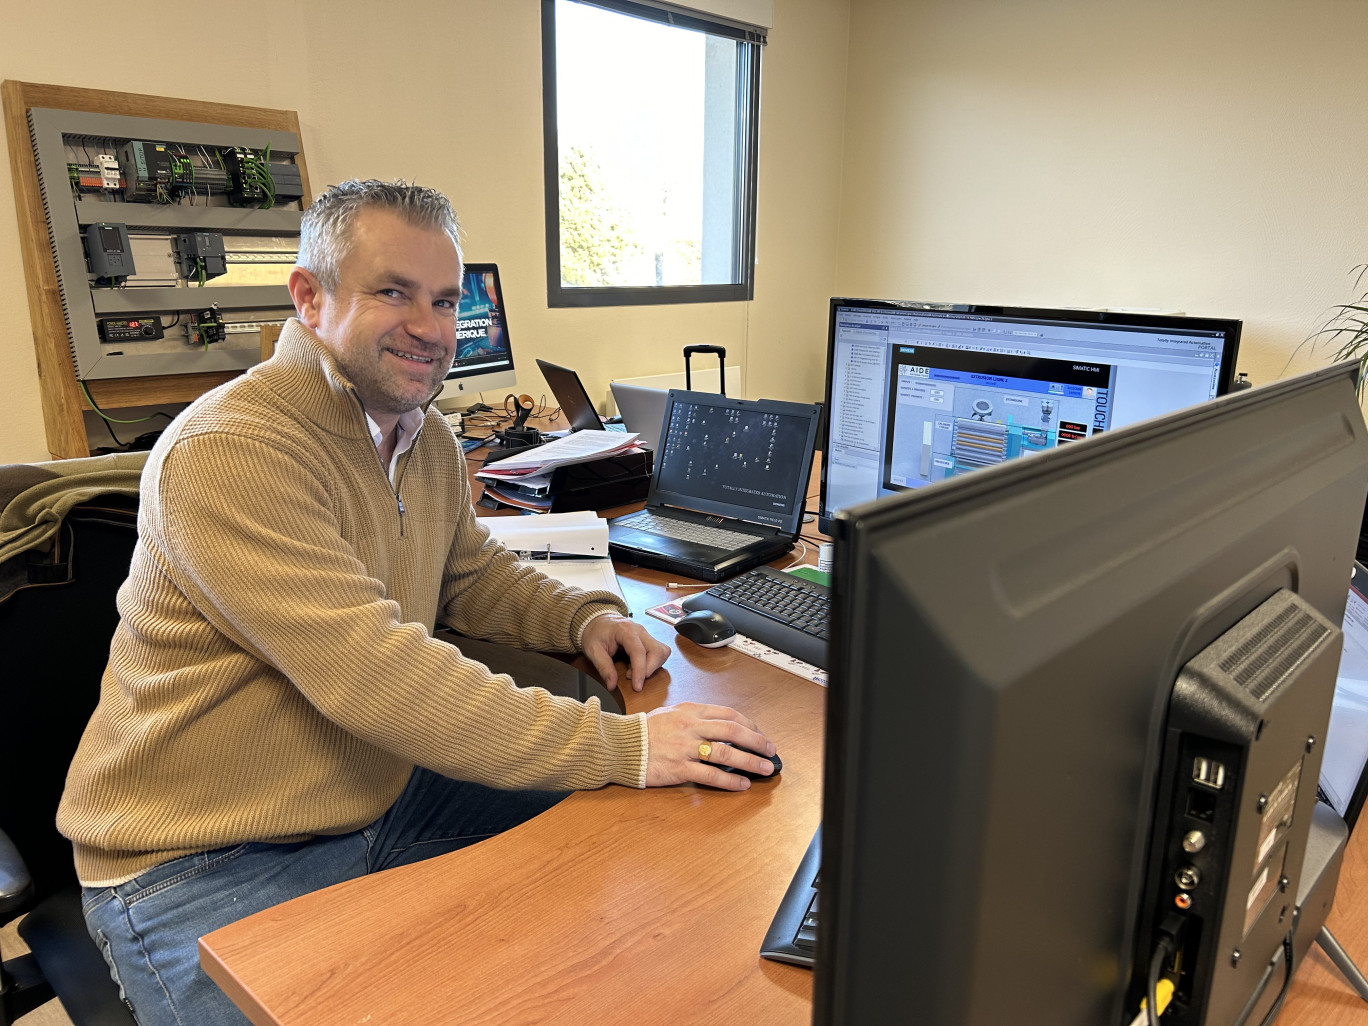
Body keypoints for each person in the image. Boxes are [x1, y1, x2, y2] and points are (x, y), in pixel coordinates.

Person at [58, 179, 777, 1026]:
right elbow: (377, 673)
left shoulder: (424, 436)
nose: (431, 328)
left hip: (373, 792)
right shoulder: (231, 451)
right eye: (392, 292)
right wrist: (621, 744)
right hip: (199, 857)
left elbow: (466, 571)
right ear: (310, 298)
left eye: (444, 299)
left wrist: (584, 619)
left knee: (632, 861)